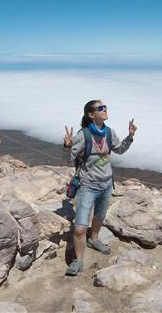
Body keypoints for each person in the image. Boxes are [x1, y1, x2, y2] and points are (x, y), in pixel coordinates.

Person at [62, 99, 137, 276]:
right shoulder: (83, 135)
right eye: (100, 108)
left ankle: (94, 239)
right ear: (91, 114)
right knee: (80, 227)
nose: (104, 110)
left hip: (106, 183)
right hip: (87, 185)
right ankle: (78, 261)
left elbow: (119, 150)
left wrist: (130, 136)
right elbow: (68, 161)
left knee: (99, 216)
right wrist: (67, 146)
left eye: (105, 107)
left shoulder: (109, 133)